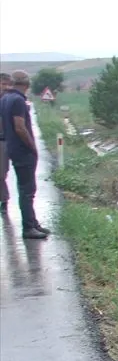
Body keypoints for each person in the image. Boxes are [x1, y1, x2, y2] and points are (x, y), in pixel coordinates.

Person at [0, 70, 49, 238]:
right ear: (27, 85)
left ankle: (33, 223)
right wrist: (32, 146)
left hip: (12, 148)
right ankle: (28, 228)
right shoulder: (18, 100)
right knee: (27, 190)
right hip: (22, 151)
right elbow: (20, 127)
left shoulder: (5, 98)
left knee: (26, 189)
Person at [0, 72, 10, 214]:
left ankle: (4, 199)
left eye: (7, 84)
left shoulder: (10, 100)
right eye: (3, 84)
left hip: (4, 140)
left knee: (2, 173)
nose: (5, 87)